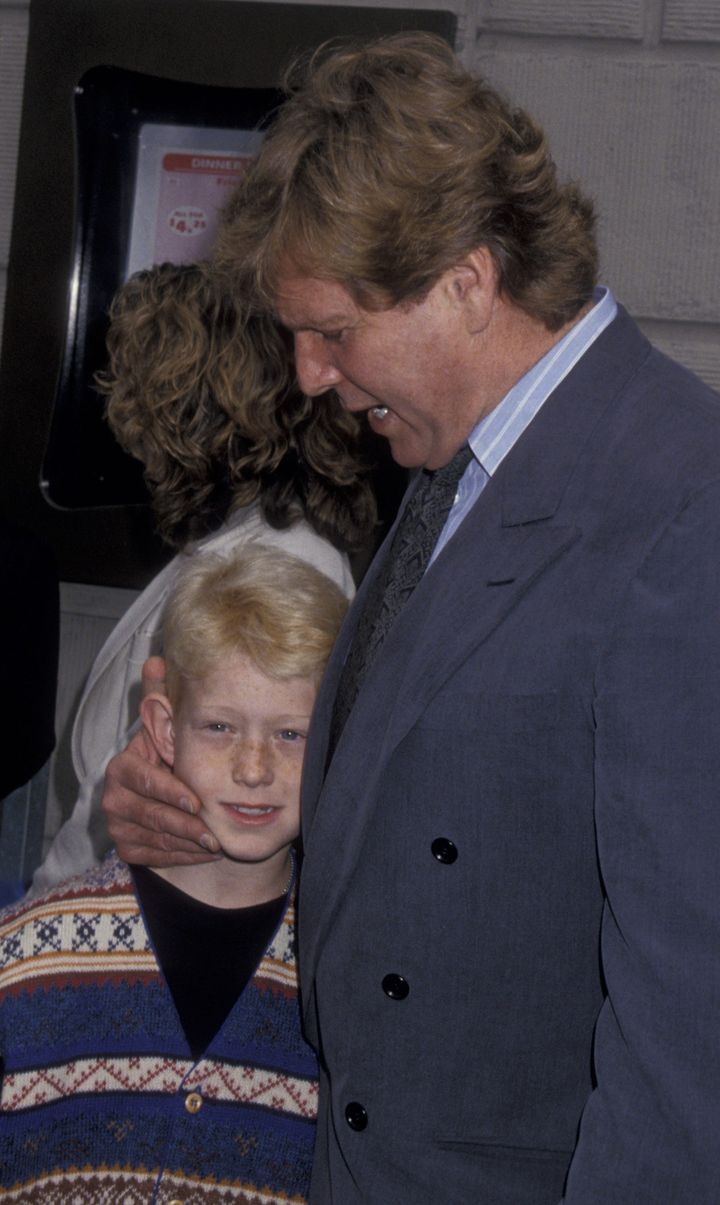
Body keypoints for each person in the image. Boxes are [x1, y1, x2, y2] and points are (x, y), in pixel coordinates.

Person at [101, 33, 720, 1203]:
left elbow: (693, 1037)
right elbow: (448, 836)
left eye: (334, 331)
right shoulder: (453, 471)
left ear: (468, 283)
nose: (308, 375)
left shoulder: (681, 504)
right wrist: (197, 817)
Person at [0, 543, 348, 1201]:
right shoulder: (26, 959)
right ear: (163, 730)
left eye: (291, 734)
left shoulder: (348, 983)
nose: (254, 768)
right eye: (219, 726)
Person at [29, 260, 374, 895]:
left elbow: (144, 814)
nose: (120, 420)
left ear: (179, 411)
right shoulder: (236, 543)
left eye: (133, 393)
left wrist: (39, 921)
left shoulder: (276, 569)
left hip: (131, 914)